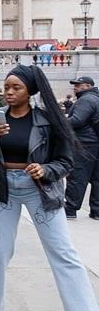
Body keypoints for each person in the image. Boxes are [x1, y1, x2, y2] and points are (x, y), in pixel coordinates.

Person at [0, 65, 99, 311]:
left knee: (63, 253)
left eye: (16, 87)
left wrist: (45, 169)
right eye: (6, 87)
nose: (9, 92)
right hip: (4, 188)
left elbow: (66, 162)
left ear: (30, 90)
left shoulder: (48, 121)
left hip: (39, 191)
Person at [64, 76, 99, 219]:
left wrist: (60, 121)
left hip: (85, 143)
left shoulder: (86, 100)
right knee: (97, 179)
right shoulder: (95, 98)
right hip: (95, 142)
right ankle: (96, 211)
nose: (75, 87)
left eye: (78, 85)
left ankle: (70, 209)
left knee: (78, 176)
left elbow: (77, 120)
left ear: (88, 86)